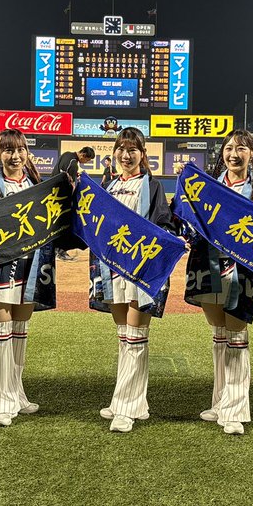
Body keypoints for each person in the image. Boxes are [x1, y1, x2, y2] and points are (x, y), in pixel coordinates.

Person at [184, 129, 253, 436]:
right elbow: (185, 219)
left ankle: (236, 410)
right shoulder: (206, 188)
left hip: (241, 275)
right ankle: (220, 401)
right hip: (207, 268)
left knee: (236, 337)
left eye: (242, 149)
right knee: (219, 336)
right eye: (229, 148)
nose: (234, 154)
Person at [90, 127, 178, 433]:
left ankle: (125, 409)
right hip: (110, 270)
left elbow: (164, 223)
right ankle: (132, 402)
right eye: (121, 150)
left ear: (143, 154)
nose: (126, 156)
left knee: (135, 337)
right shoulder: (108, 184)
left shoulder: (151, 186)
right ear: (114, 152)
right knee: (125, 337)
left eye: (133, 150)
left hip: (140, 270)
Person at [0, 128, 57, 426]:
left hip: (31, 269)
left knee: (19, 331)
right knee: (2, 333)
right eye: (8, 150)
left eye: (20, 150)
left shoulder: (37, 185)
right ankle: (0, 401)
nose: (15, 156)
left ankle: (16, 393)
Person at [55, 147, 96, 260]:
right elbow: (72, 185)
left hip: (53, 195)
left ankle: (58, 249)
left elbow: (62, 172)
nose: (86, 162)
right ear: (83, 155)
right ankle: (61, 251)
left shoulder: (66, 154)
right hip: (63, 198)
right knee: (67, 224)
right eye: (87, 160)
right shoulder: (74, 164)